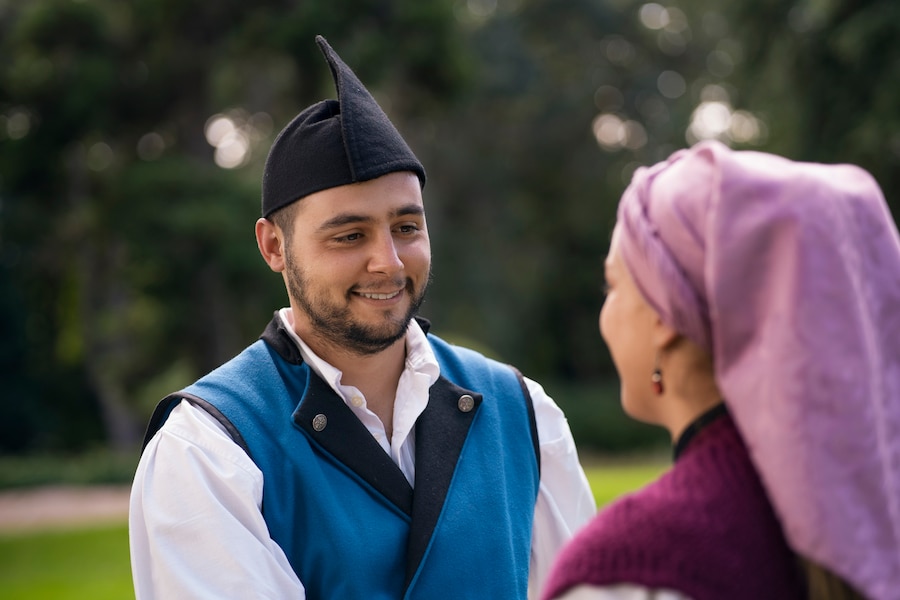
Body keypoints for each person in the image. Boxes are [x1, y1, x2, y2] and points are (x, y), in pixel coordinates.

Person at [129, 35, 595, 599]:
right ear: (273, 246)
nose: (388, 263)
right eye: (350, 235)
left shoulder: (525, 415)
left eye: (406, 228)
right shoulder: (206, 450)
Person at [542, 141, 900, 600]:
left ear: (663, 319)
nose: (605, 314)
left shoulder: (634, 564)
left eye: (613, 284)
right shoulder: (873, 522)